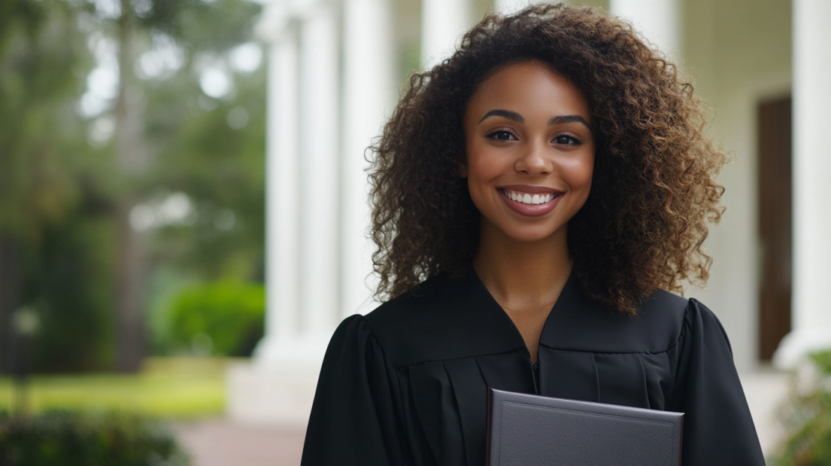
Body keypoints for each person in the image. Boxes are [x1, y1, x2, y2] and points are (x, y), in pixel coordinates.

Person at [301, 4, 765, 465]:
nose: (535, 162)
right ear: (457, 153)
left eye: (567, 139)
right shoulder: (385, 348)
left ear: (604, 161)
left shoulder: (675, 336)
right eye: (502, 134)